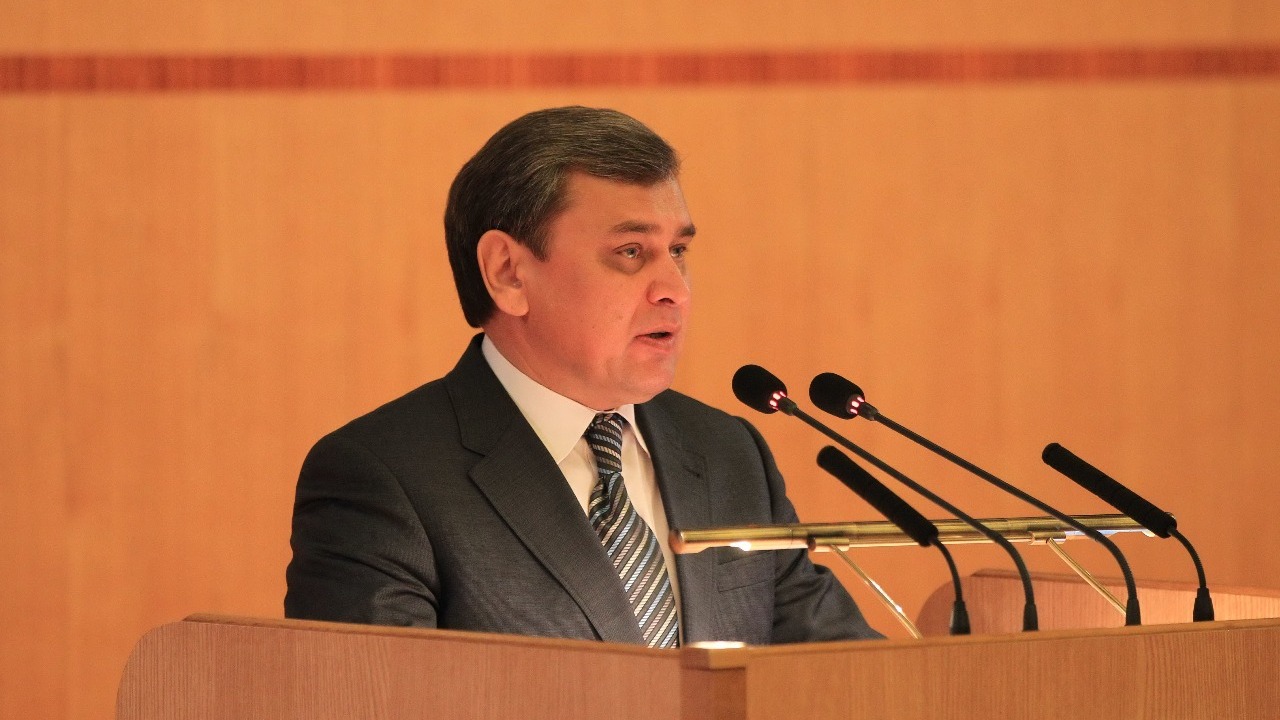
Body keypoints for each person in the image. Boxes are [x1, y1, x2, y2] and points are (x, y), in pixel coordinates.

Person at [285, 106, 881, 646]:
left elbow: (836, 675)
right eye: (631, 252)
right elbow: (373, 699)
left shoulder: (727, 453)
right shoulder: (385, 478)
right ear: (508, 273)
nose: (674, 290)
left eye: (678, 251)